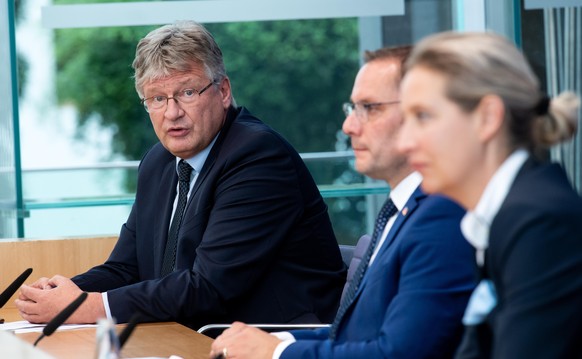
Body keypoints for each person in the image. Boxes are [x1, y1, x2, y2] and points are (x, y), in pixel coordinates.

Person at [15, 20, 346, 330]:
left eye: (187, 93)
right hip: (196, 333)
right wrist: (65, 292)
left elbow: (209, 287)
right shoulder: (159, 162)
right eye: (157, 98)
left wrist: (86, 307)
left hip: (276, 339)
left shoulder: (258, 157)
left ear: (223, 91)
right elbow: (127, 268)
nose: (172, 113)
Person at [209, 46, 476, 359]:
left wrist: (278, 352)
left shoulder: (441, 217)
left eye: (370, 108)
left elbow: (400, 353)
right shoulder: (405, 211)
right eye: (353, 108)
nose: (349, 126)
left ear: (423, 116)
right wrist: (273, 340)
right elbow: (357, 334)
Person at [397, 31, 582, 358]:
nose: (405, 142)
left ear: (487, 118)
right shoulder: (504, 216)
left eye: (423, 116)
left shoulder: (538, 220)